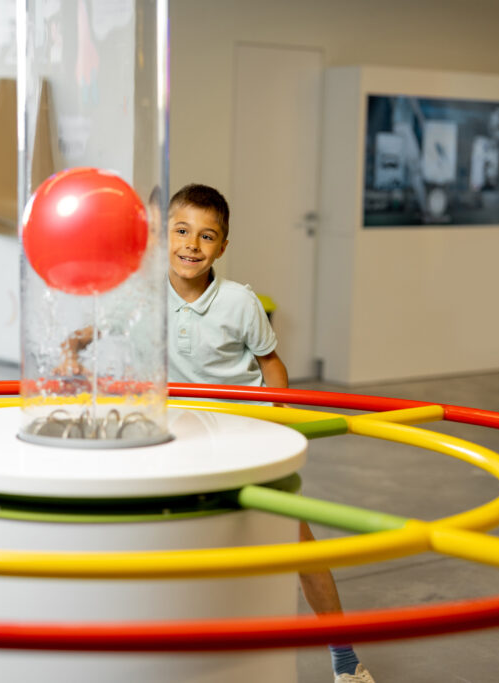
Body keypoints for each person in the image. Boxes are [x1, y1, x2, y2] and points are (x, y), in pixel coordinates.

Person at [166, 183, 375, 683]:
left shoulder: (240, 302)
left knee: (299, 543)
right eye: (181, 231)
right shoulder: (144, 296)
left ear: (223, 246)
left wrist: (273, 418)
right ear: (163, 233)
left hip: (244, 432)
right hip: (184, 437)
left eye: (207, 236)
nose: (191, 245)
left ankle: (345, 658)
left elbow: (271, 365)